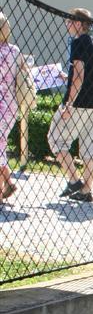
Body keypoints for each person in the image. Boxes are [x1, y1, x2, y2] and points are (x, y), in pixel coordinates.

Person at [46, 7, 93, 204]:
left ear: (79, 24)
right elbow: (89, 75)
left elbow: (79, 75)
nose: (67, 24)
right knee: (90, 148)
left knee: (55, 138)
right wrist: (67, 77)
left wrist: (68, 104)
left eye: (69, 21)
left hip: (77, 104)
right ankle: (87, 190)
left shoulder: (78, 43)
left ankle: (73, 180)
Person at [0, 11, 26, 202]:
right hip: (11, 105)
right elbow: (24, 73)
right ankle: (3, 189)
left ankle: (8, 182)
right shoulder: (15, 51)